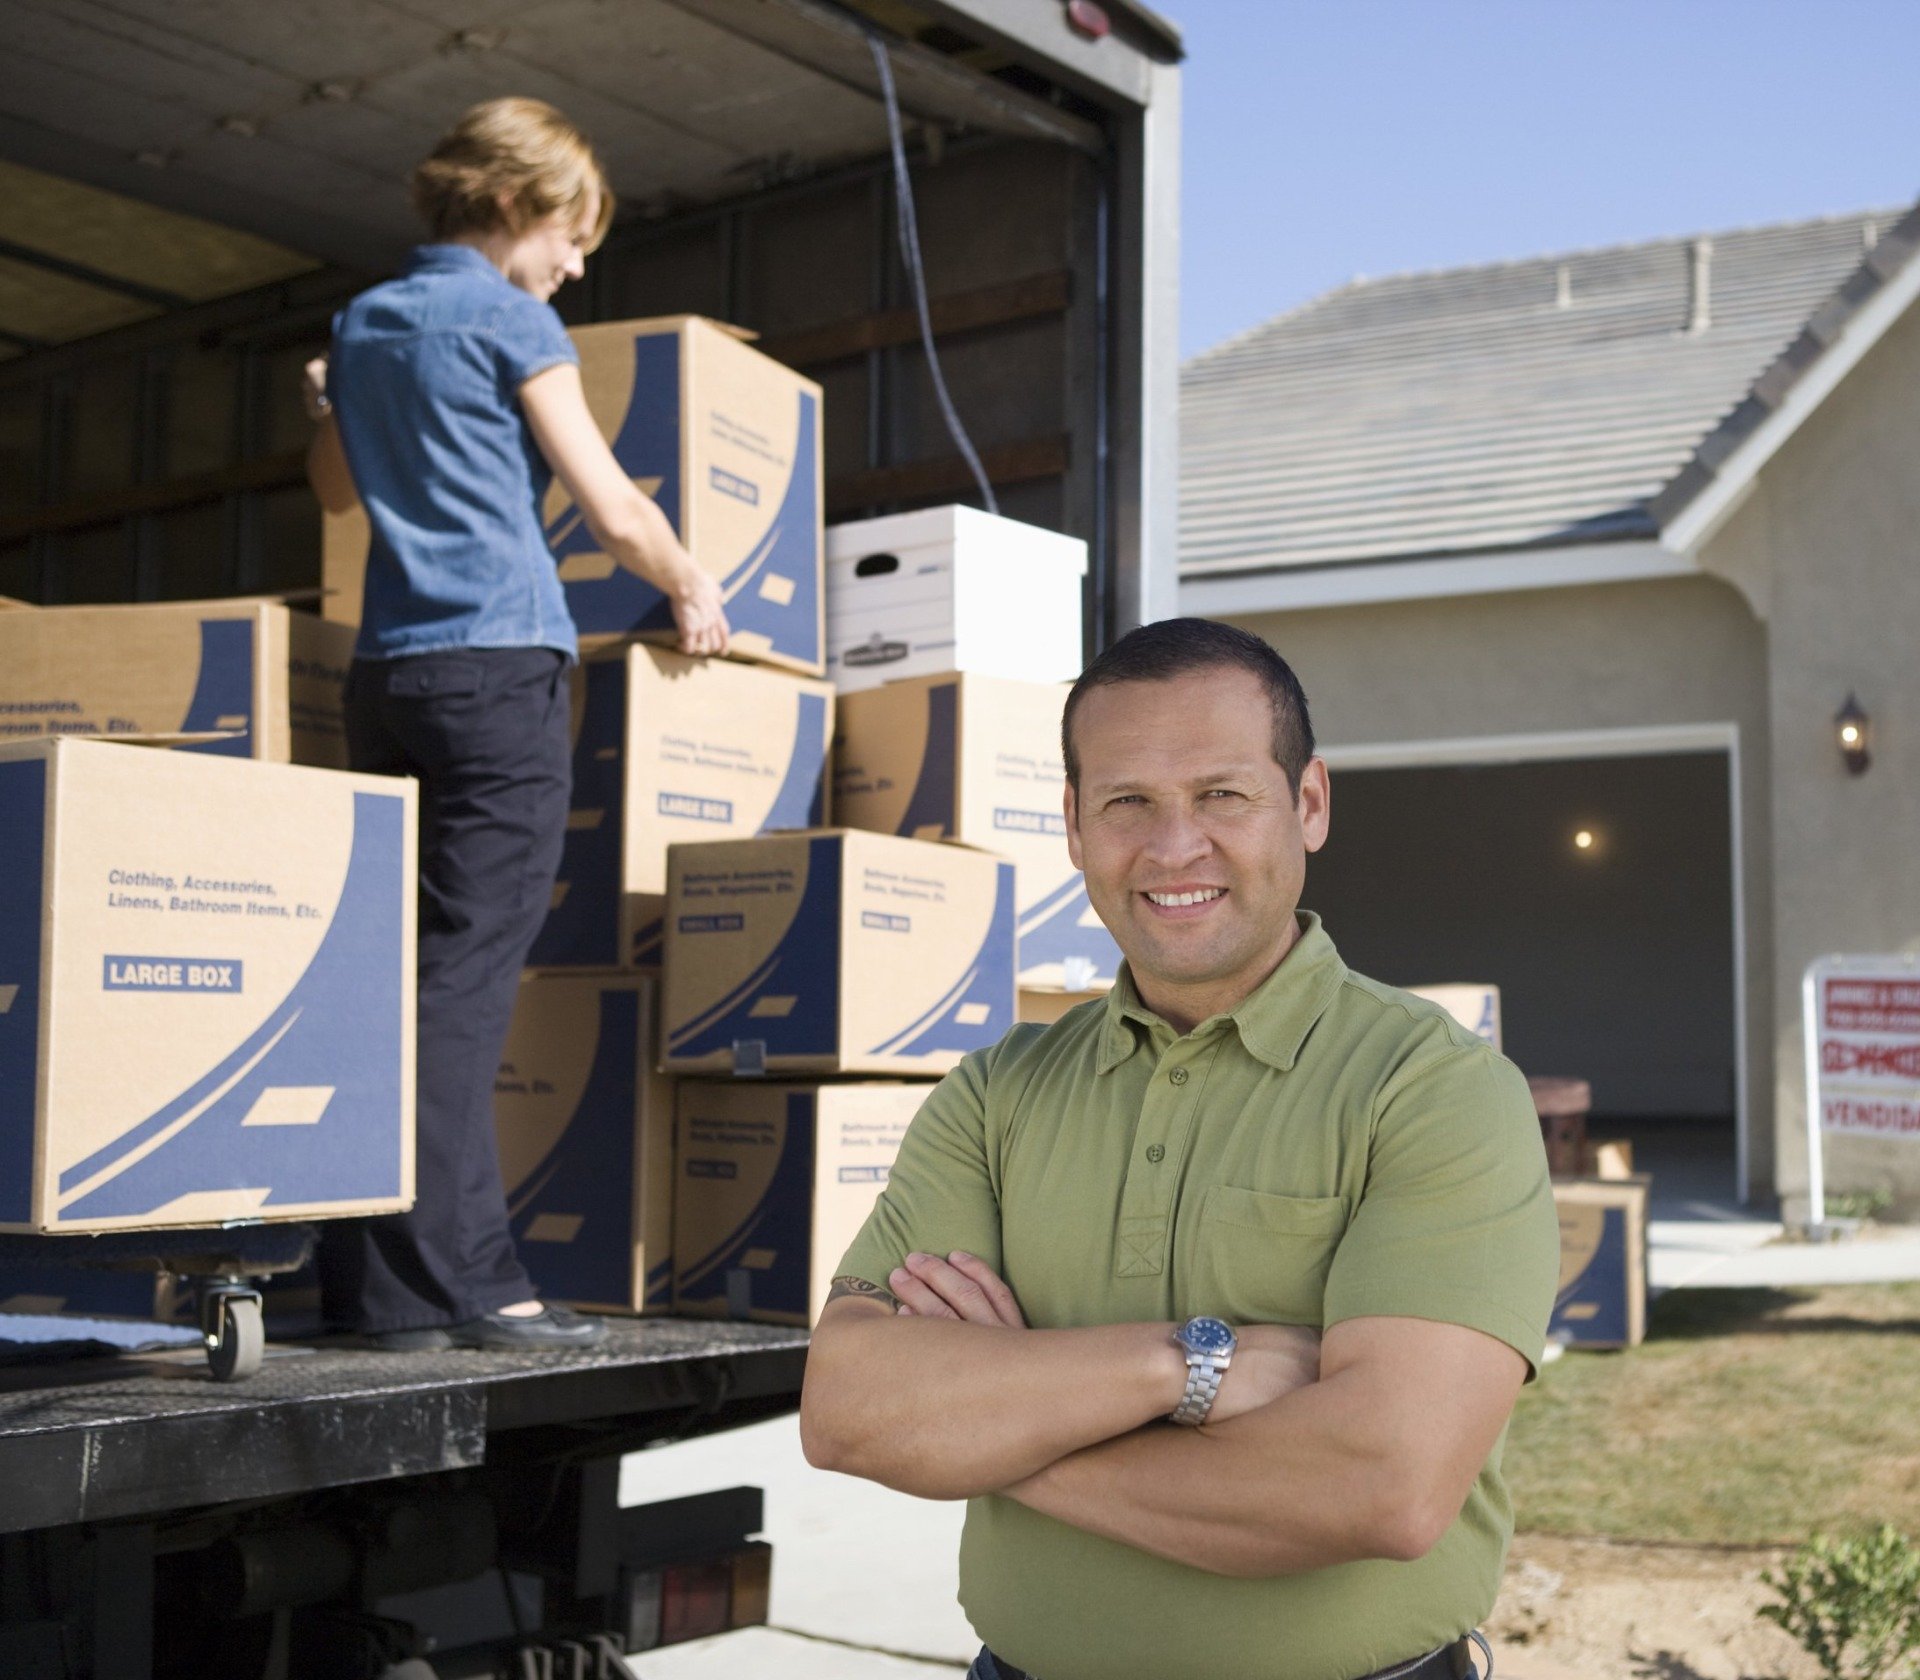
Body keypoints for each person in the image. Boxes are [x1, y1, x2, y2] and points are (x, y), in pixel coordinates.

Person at [801, 618, 1561, 1680]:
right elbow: (847, 1410)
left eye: (1222, 795)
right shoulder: (996, 1094)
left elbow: (1385, 1484)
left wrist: (1001, 1430)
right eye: (1127, 803)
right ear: (1072, 825)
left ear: (1309, 804)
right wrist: (1192, 1366)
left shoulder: (1434, 1092)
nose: (1172, 848)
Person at [304, 97, 729, 1351]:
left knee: (396, 983)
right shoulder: (507, 314)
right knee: (465, 989)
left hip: (389, 676)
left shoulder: (368, 319)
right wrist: (692, 583)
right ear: (509, 206)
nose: (576, 262)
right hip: (496, 672)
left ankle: (377, 1298)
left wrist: (325, 403)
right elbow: (606, 501)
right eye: (570, 231)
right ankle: (477, 1282)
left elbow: (336, 494)